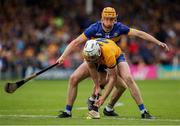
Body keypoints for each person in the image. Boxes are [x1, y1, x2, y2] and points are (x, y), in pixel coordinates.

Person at [56, 7, 169, 119]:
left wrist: (158, 42)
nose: (109, 22)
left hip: (113, 55)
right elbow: (76, 42)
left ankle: (142, 111)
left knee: (127, 79)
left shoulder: (119, 28)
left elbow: (139, 33)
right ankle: (68, 111)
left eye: (111, 19)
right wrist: (63, 56)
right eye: (106, 18)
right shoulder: (94, 29)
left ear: (115, 19)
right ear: (102, 18)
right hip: (95, 56)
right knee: (74, 78)